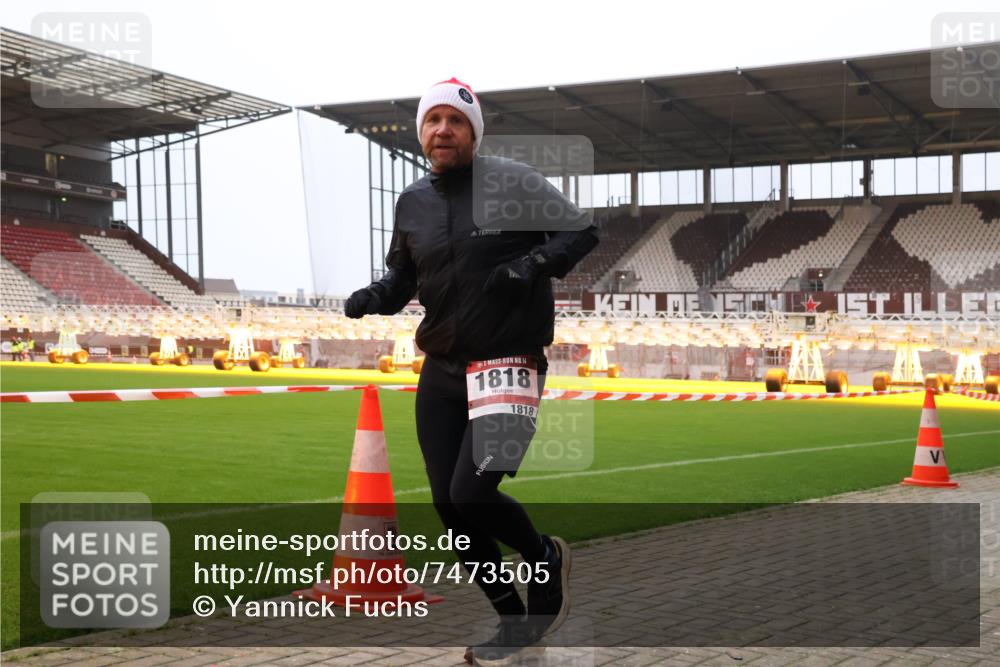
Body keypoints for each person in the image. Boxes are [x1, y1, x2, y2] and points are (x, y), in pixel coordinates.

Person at [345, 77, 598, 665]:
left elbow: (582, 229)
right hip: (441, 368)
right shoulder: (413, 203)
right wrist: (376, 295)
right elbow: (405, 277)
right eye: (432, 121)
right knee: (446, 505)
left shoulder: (513, 181)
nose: (442, 130)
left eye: (455, 121)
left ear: (473, 131)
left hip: (508, 363)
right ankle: (512, 619)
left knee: (472, 492)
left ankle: (544, 560)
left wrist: (534, 262)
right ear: (421, 134)